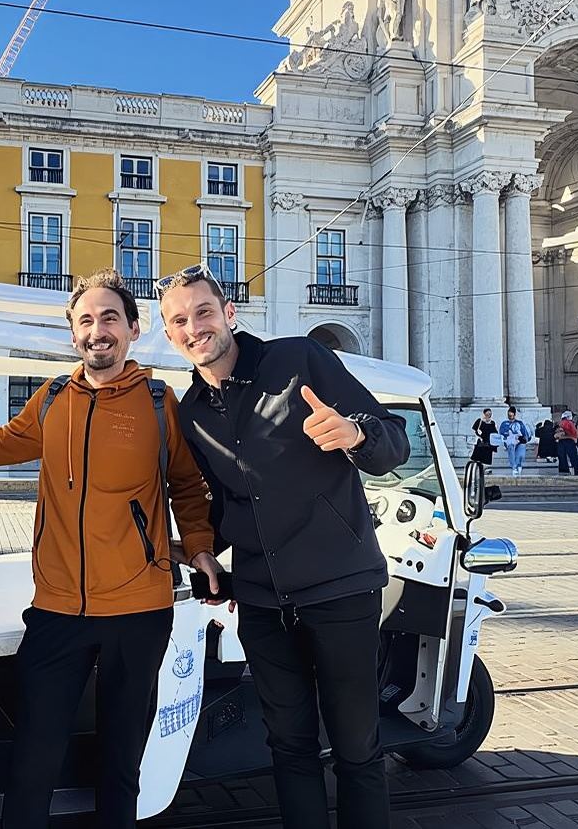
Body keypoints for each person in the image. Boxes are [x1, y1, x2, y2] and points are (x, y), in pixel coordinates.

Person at [0, 269, 221, 829]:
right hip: (57, 611)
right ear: (72, 333)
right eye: (85, 320)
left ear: (132, 329)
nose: (97, 330)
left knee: (122, 763)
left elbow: (188, 484)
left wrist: (198, 547)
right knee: (33, 759)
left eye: (108, 318)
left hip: (138, 611)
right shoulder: (53, 398)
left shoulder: (158, 402)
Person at [158, 265, 409, 829]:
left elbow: (393, 437)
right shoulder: (190, 411)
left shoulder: (299, 360)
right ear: (170, 336)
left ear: (229, 313)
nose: (194, 327)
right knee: (287, 746)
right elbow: (227, 506)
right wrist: (197, 548)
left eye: (203, 311)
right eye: (179, 321)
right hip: (263, 601)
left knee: (356, 746)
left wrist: (356, 433)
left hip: (340, 588)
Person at [497, 406, 531, 477]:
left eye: (512, 416)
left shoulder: (520, 423)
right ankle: (514, 467)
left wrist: (526, 438)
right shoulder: (504, 423)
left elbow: (525, 433)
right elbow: (501, 433)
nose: (510, 417)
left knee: (520, 454)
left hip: (520, 441)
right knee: (511, 449)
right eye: (509, 416)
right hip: (509, 441)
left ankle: (518, 465)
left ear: (515, 415)